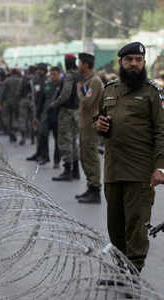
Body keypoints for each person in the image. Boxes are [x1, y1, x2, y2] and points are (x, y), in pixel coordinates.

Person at [95, 42, 164, 274]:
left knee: (136, 225)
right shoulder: (109, 89)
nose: (134, 64)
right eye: (129, 60)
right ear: (120, 62)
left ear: (144, 63)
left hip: (140, 172)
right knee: (115, 226)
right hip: (113, 169)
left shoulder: (152, 92)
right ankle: (121, 268)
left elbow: (161, 132)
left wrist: (161, 168)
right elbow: (99, 119)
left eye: (138, 60)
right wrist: (99, 125)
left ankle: (133, 272)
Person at [76, 53, 104, 204]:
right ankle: (90, 186)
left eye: (79, 63)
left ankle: (95, 190)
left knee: (91, 157)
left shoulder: (94, 81)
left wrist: (80, 91)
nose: (78, 65)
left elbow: (87, 101)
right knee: (84, 156)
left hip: (91, 126)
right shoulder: (87, 81)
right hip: (84, 124)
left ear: (86, 65)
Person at [49, 54, 81, 181]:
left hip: (66, 112)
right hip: (76, 111)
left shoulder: (68, 75)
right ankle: (76, 171)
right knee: (73, 141)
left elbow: (65, 94)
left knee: (64, 141)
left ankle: (67, 171)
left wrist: (54, 104)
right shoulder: (79, 75)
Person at [36, 66, 62, 167]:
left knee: (57, 139)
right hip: (46, 115)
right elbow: (40, 101)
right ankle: (45, 156)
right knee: (43, 135)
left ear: (59, 74)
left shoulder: (62, 85)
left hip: (57, 115)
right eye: (51, 74)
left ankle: (57, 161)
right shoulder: (46, 85)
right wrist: (37, 115)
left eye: (54, 74)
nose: (52, 76)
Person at [27, 63, 48, 160]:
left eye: (41, 70)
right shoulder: (36, 80)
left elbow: (42, 96)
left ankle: (43, 155)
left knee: (42, 133)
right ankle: (38, 153)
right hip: (36, 108)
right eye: (38, 69)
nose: (39, 71)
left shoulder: (46, 81)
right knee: (37, 132)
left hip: (43, 110)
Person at [0, 68, 22, 142]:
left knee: (8, 118)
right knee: (16, 117)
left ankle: (11, 132)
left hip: (8, 102)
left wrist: (0, 102)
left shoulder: (7, 80)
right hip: (17, 102)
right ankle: (15, 130)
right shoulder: (20, 80)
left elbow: (3, 92)